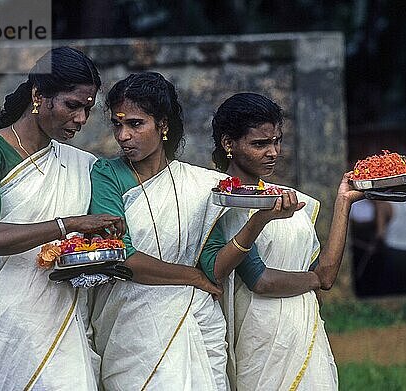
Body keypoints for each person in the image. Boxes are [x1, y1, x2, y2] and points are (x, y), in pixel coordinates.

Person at [88, 73, 301, 390]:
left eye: (135, 124)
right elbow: (120, 256)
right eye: (118, 125)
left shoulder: (201, 186)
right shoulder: (107, 175)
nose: (123, 136)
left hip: (195, 322)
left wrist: (259, 220)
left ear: (162, 125)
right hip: (132, 328)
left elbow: (214, 270)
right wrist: (192, 277)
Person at [0, 47, 126, 390]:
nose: (81, 119)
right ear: (38, 95)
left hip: (62, 323)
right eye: (72, 105)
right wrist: (70, 224)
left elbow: (90, 240)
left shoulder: (82, 165)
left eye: (88, 109)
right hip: (3, 326)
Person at [200, 93, 364, 390]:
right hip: (260, 339)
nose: (273, 152)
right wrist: (316, 280)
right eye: (260, 144)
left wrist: (344, 201)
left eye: (276, 141)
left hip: (302, 331)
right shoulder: (219, 201)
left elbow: (324, 273)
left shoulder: (286, 197)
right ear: (228, 144)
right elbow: (260, 280)